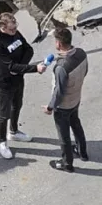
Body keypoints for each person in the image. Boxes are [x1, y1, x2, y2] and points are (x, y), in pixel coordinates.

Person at [0, 12, 39, 159]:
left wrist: (20, 67)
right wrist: (34, 68)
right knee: (5, 113)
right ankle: (2, 142)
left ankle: (14, 131)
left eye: (15, 28)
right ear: (2, 27)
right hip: (4, 83)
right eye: (11, 30)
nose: (14, 32)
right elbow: (9, 67)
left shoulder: (16, 34)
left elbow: (29, 49)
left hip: (18, 78)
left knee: (18, 105)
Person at [41, 26, 89, 173]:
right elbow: (85, 71)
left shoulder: (61, 67)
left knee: (64, 136)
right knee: (76, 124)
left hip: (63, 106)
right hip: (76, 98)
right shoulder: (81, 54)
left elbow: (59, 91)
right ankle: (83, 152)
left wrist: (50, 107)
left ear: (58, 44)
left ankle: (67, 163)